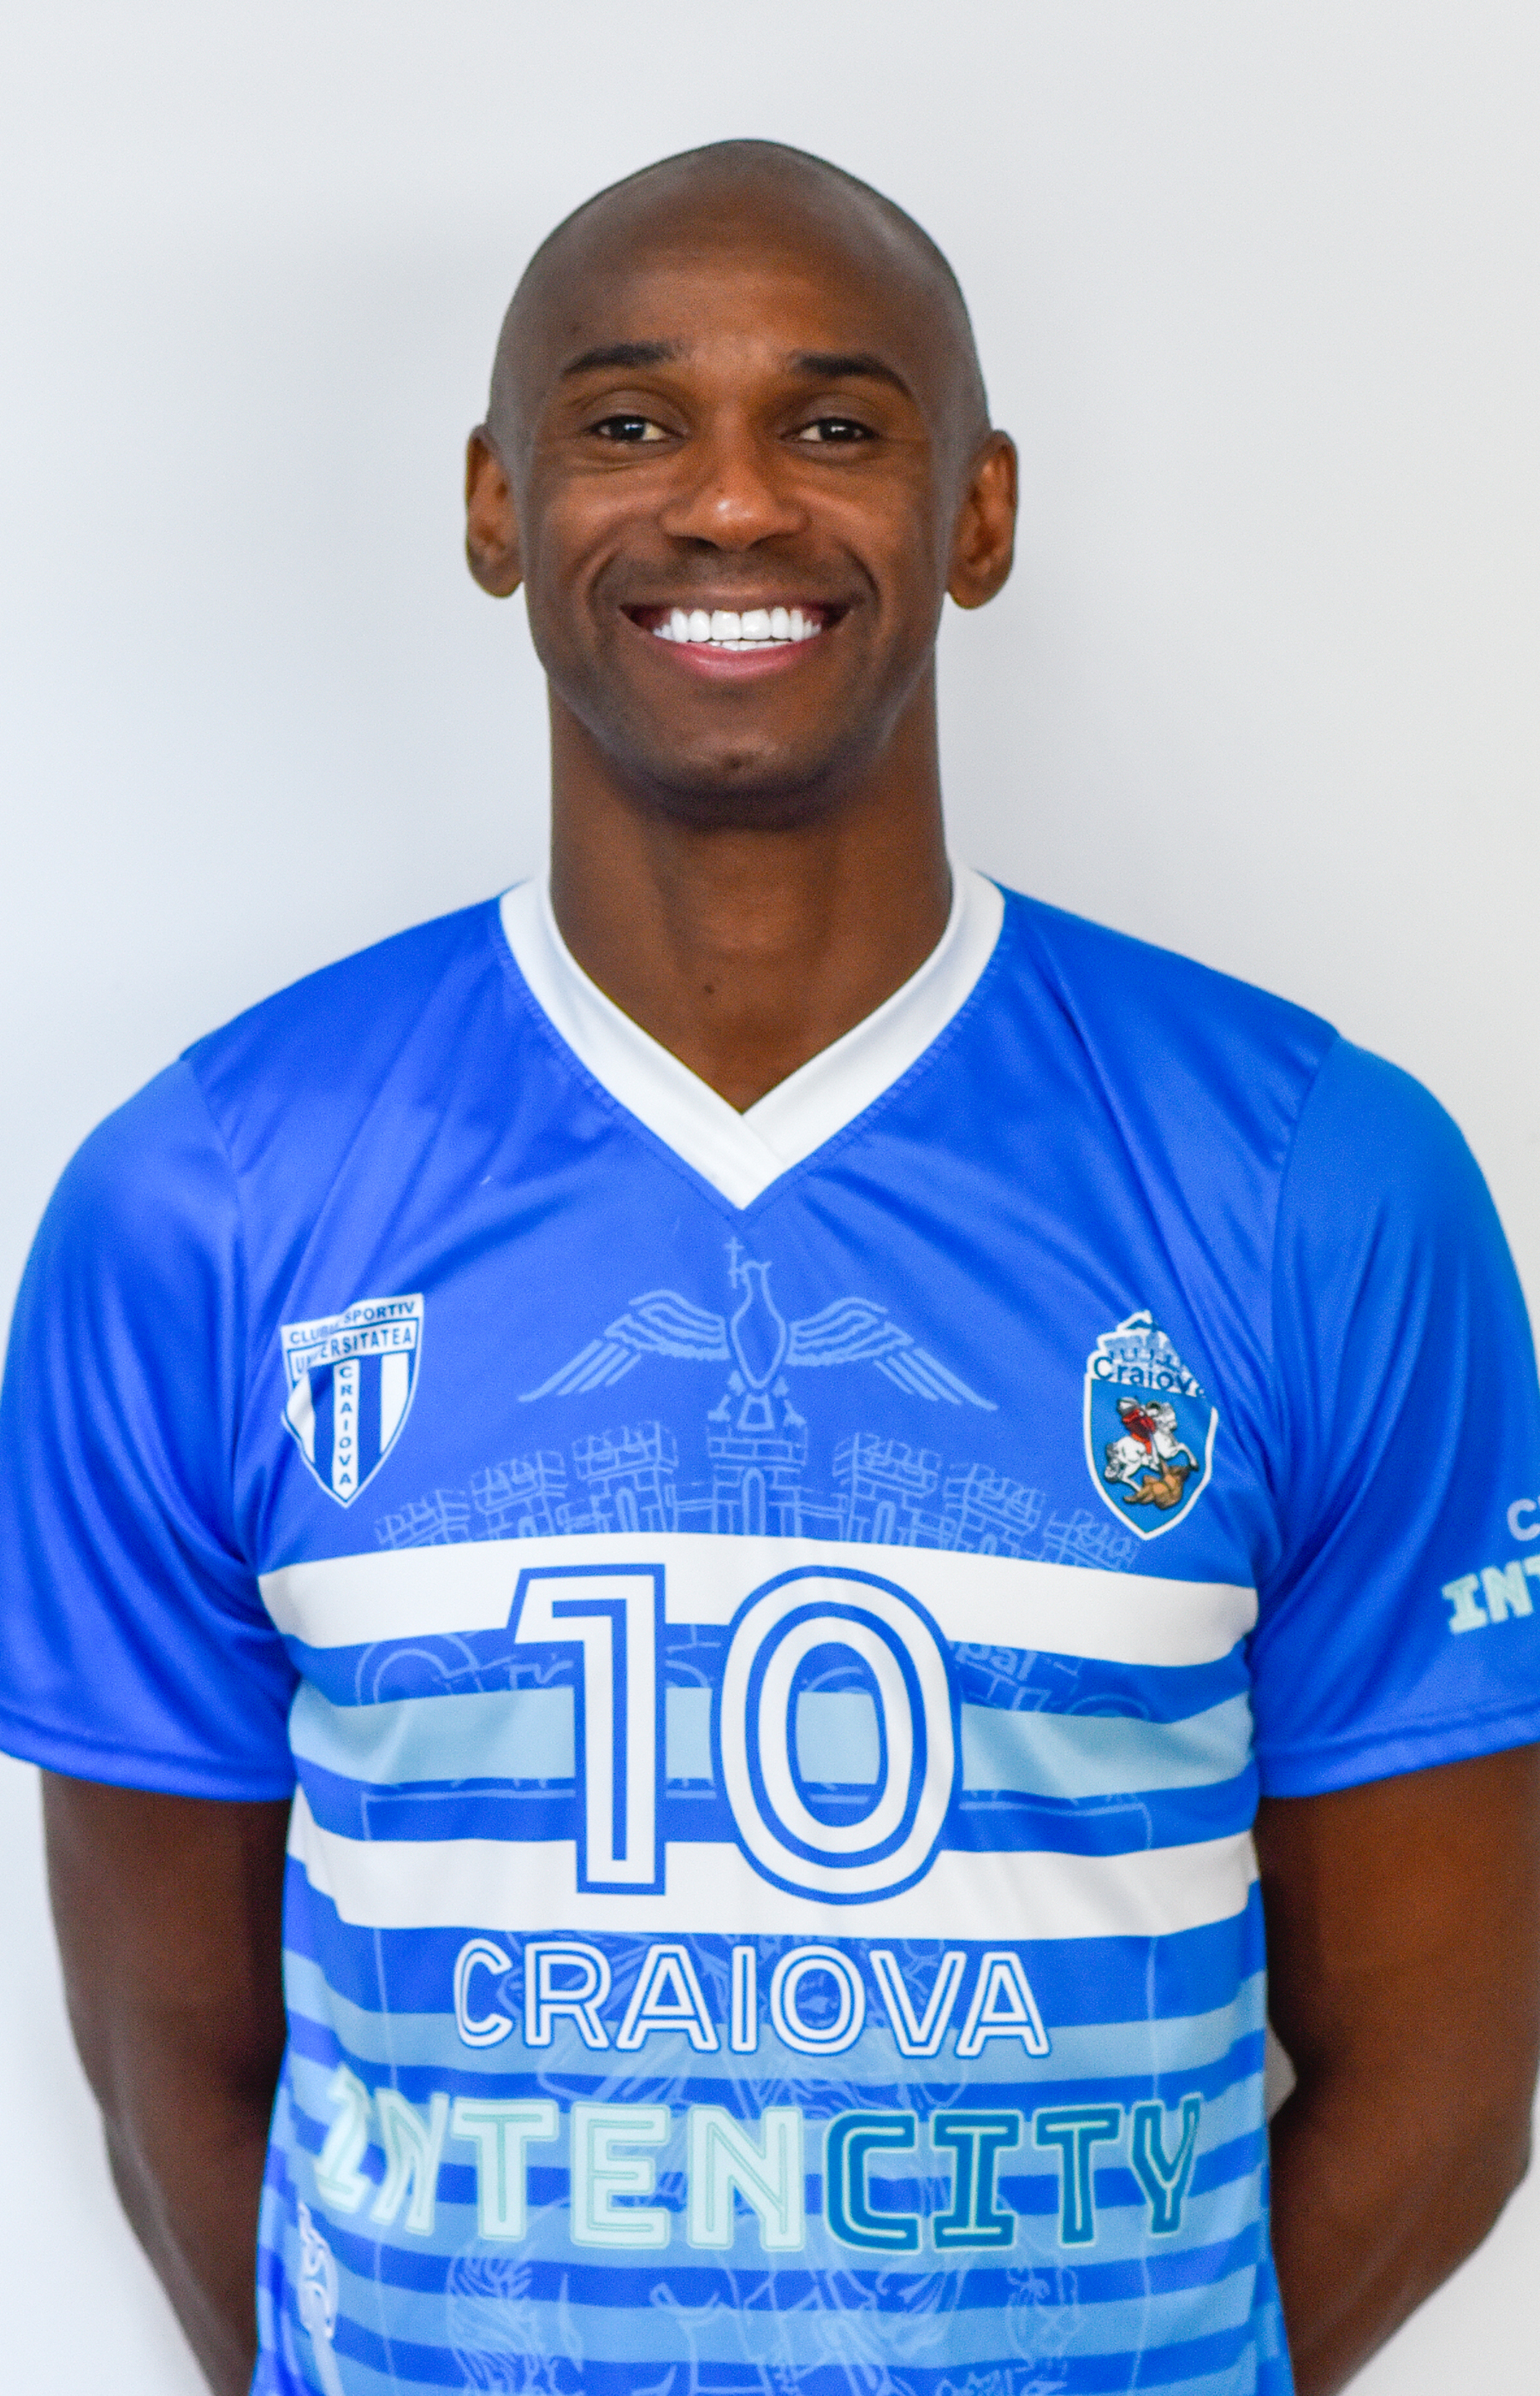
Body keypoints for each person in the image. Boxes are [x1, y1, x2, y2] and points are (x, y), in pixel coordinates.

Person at [2, 139, 1537, 2396]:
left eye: (833, 423)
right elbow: (179, 2094)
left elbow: (1445, 2086)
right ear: (497, 506)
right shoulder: (204, 1206)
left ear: (978, 516)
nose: (730, 504)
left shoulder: (1319, 1184)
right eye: (631, 422)